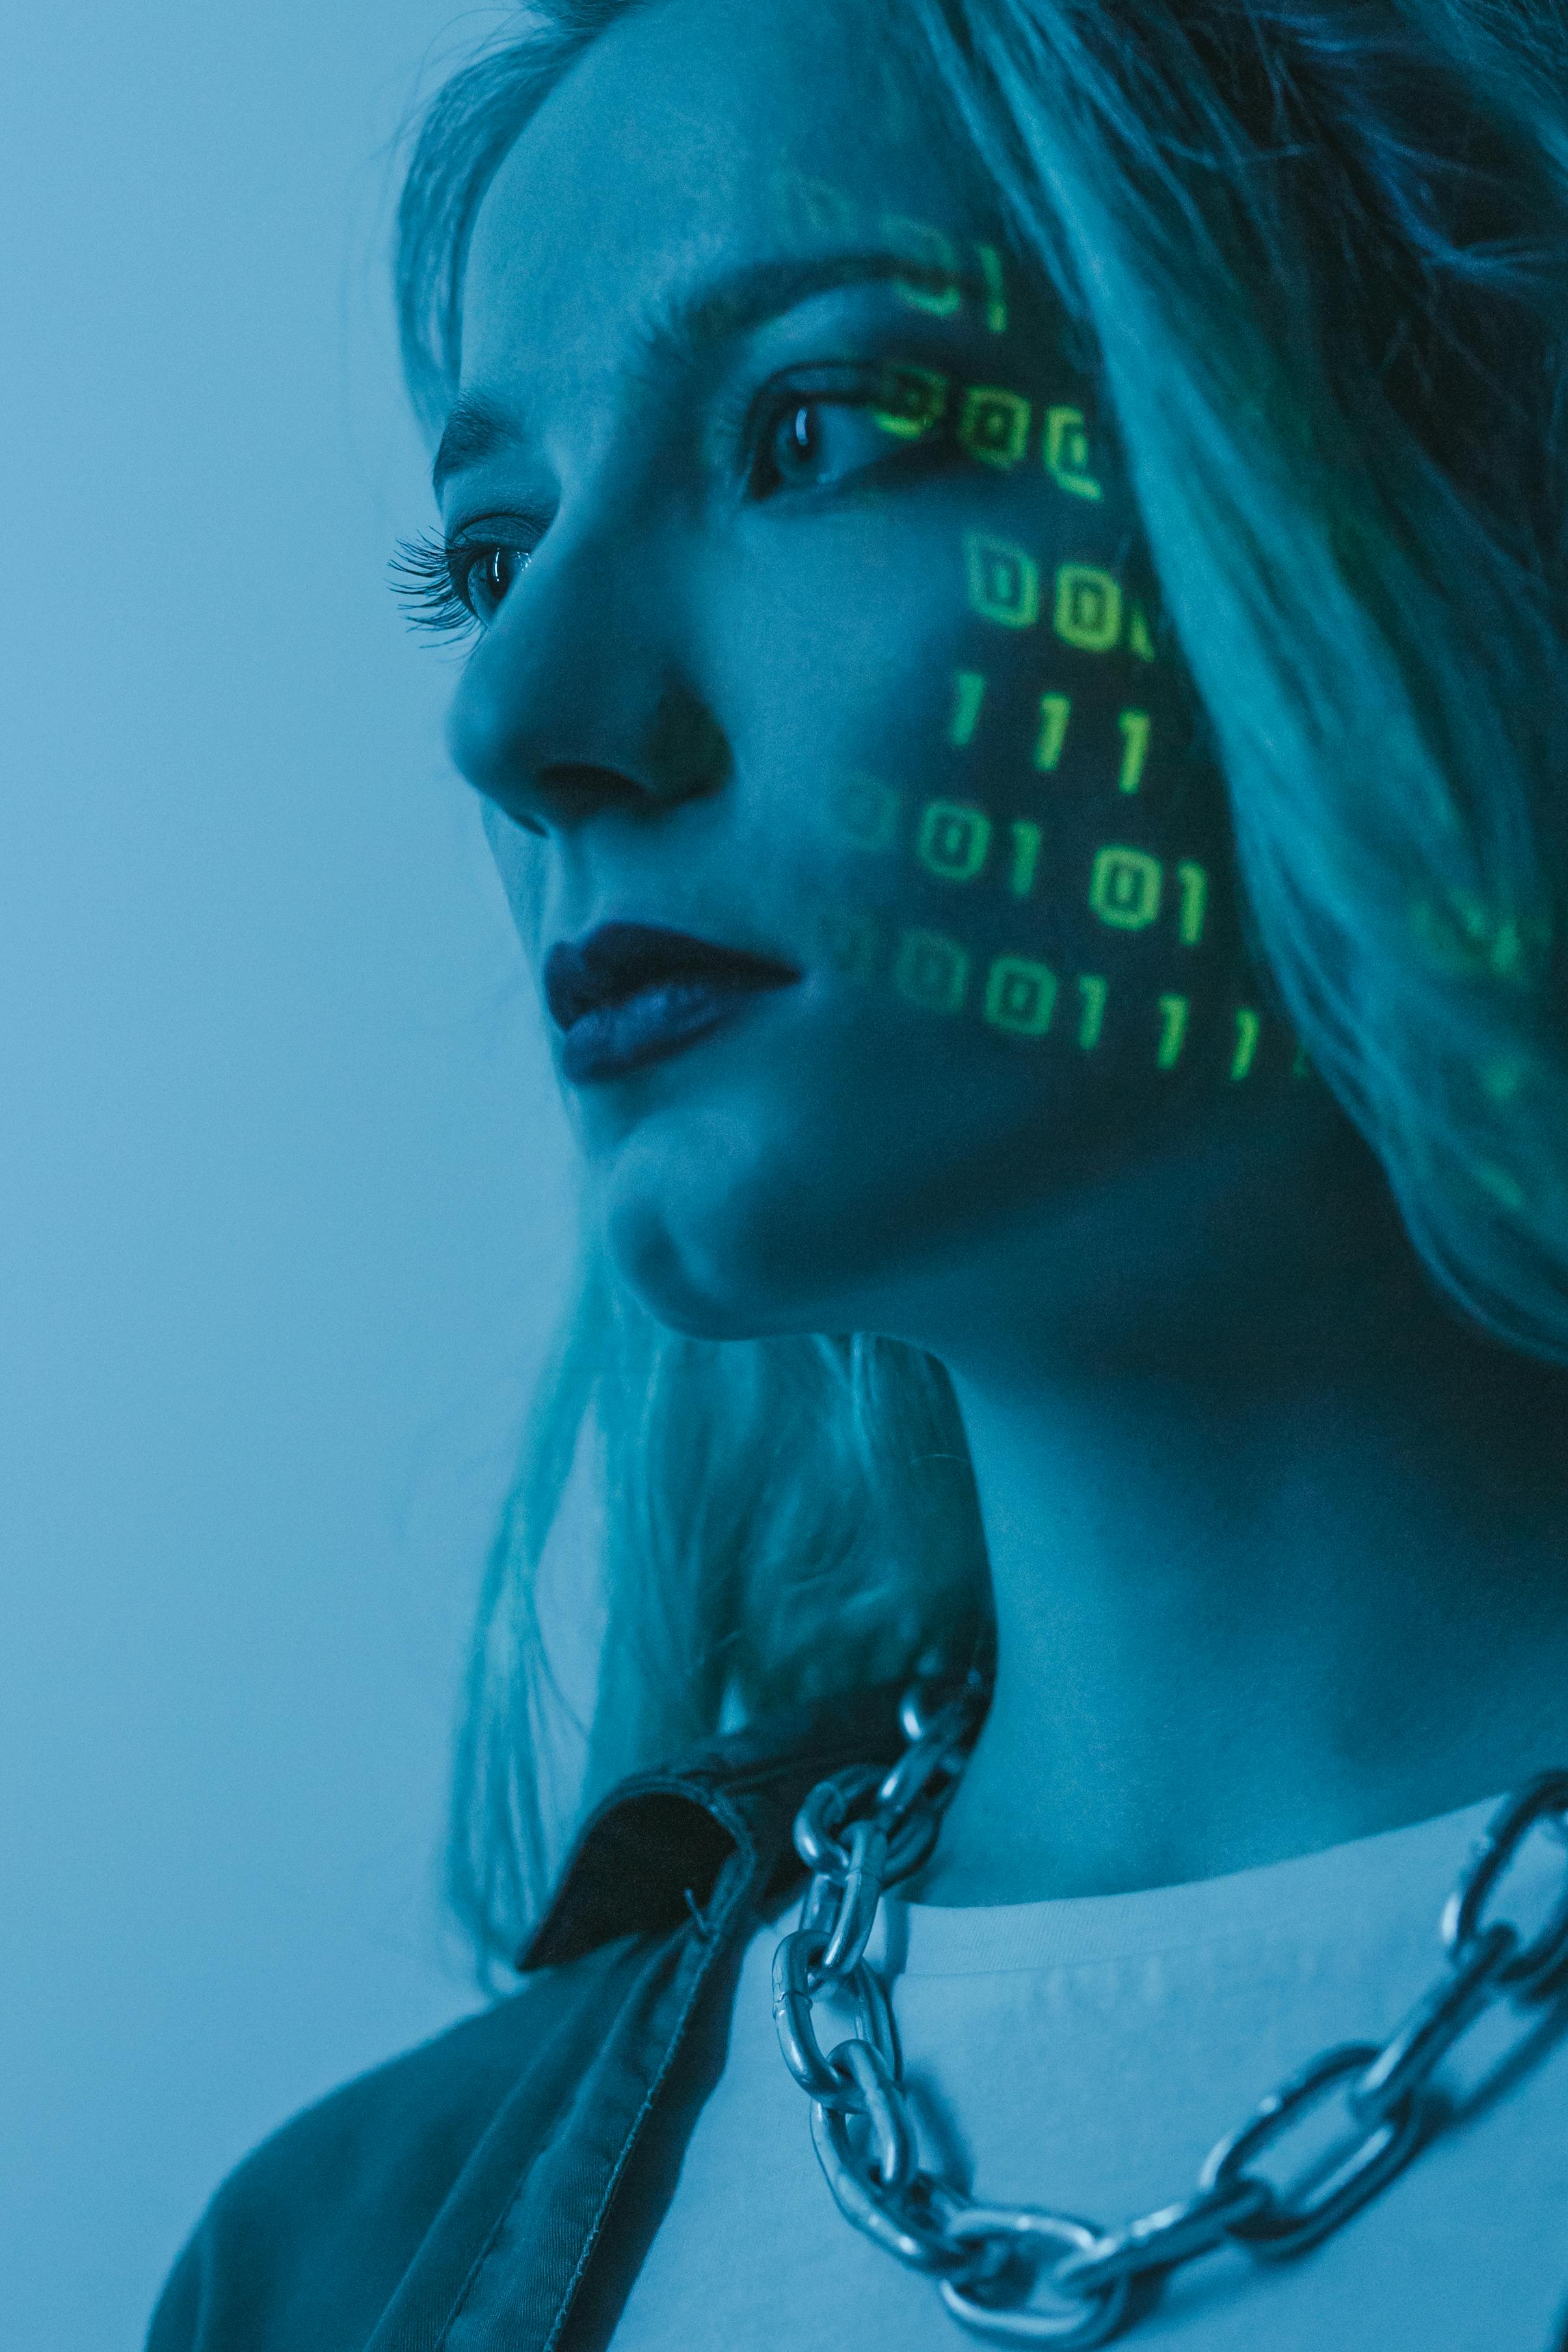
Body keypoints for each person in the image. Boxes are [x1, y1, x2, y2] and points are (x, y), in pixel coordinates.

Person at [147, 0, 1568, 2344]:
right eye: (486, 555)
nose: (515, 724)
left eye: (811, 430)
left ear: (1418, 493)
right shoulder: (336, 2267)